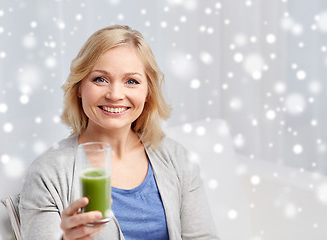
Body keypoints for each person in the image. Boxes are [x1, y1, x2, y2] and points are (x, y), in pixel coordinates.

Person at [19, 25, 220, 240]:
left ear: (148, 93)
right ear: (79, 88)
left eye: (131, 81)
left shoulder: (177, 158)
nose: (115, 95)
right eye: (100, 79)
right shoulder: (48, 173)